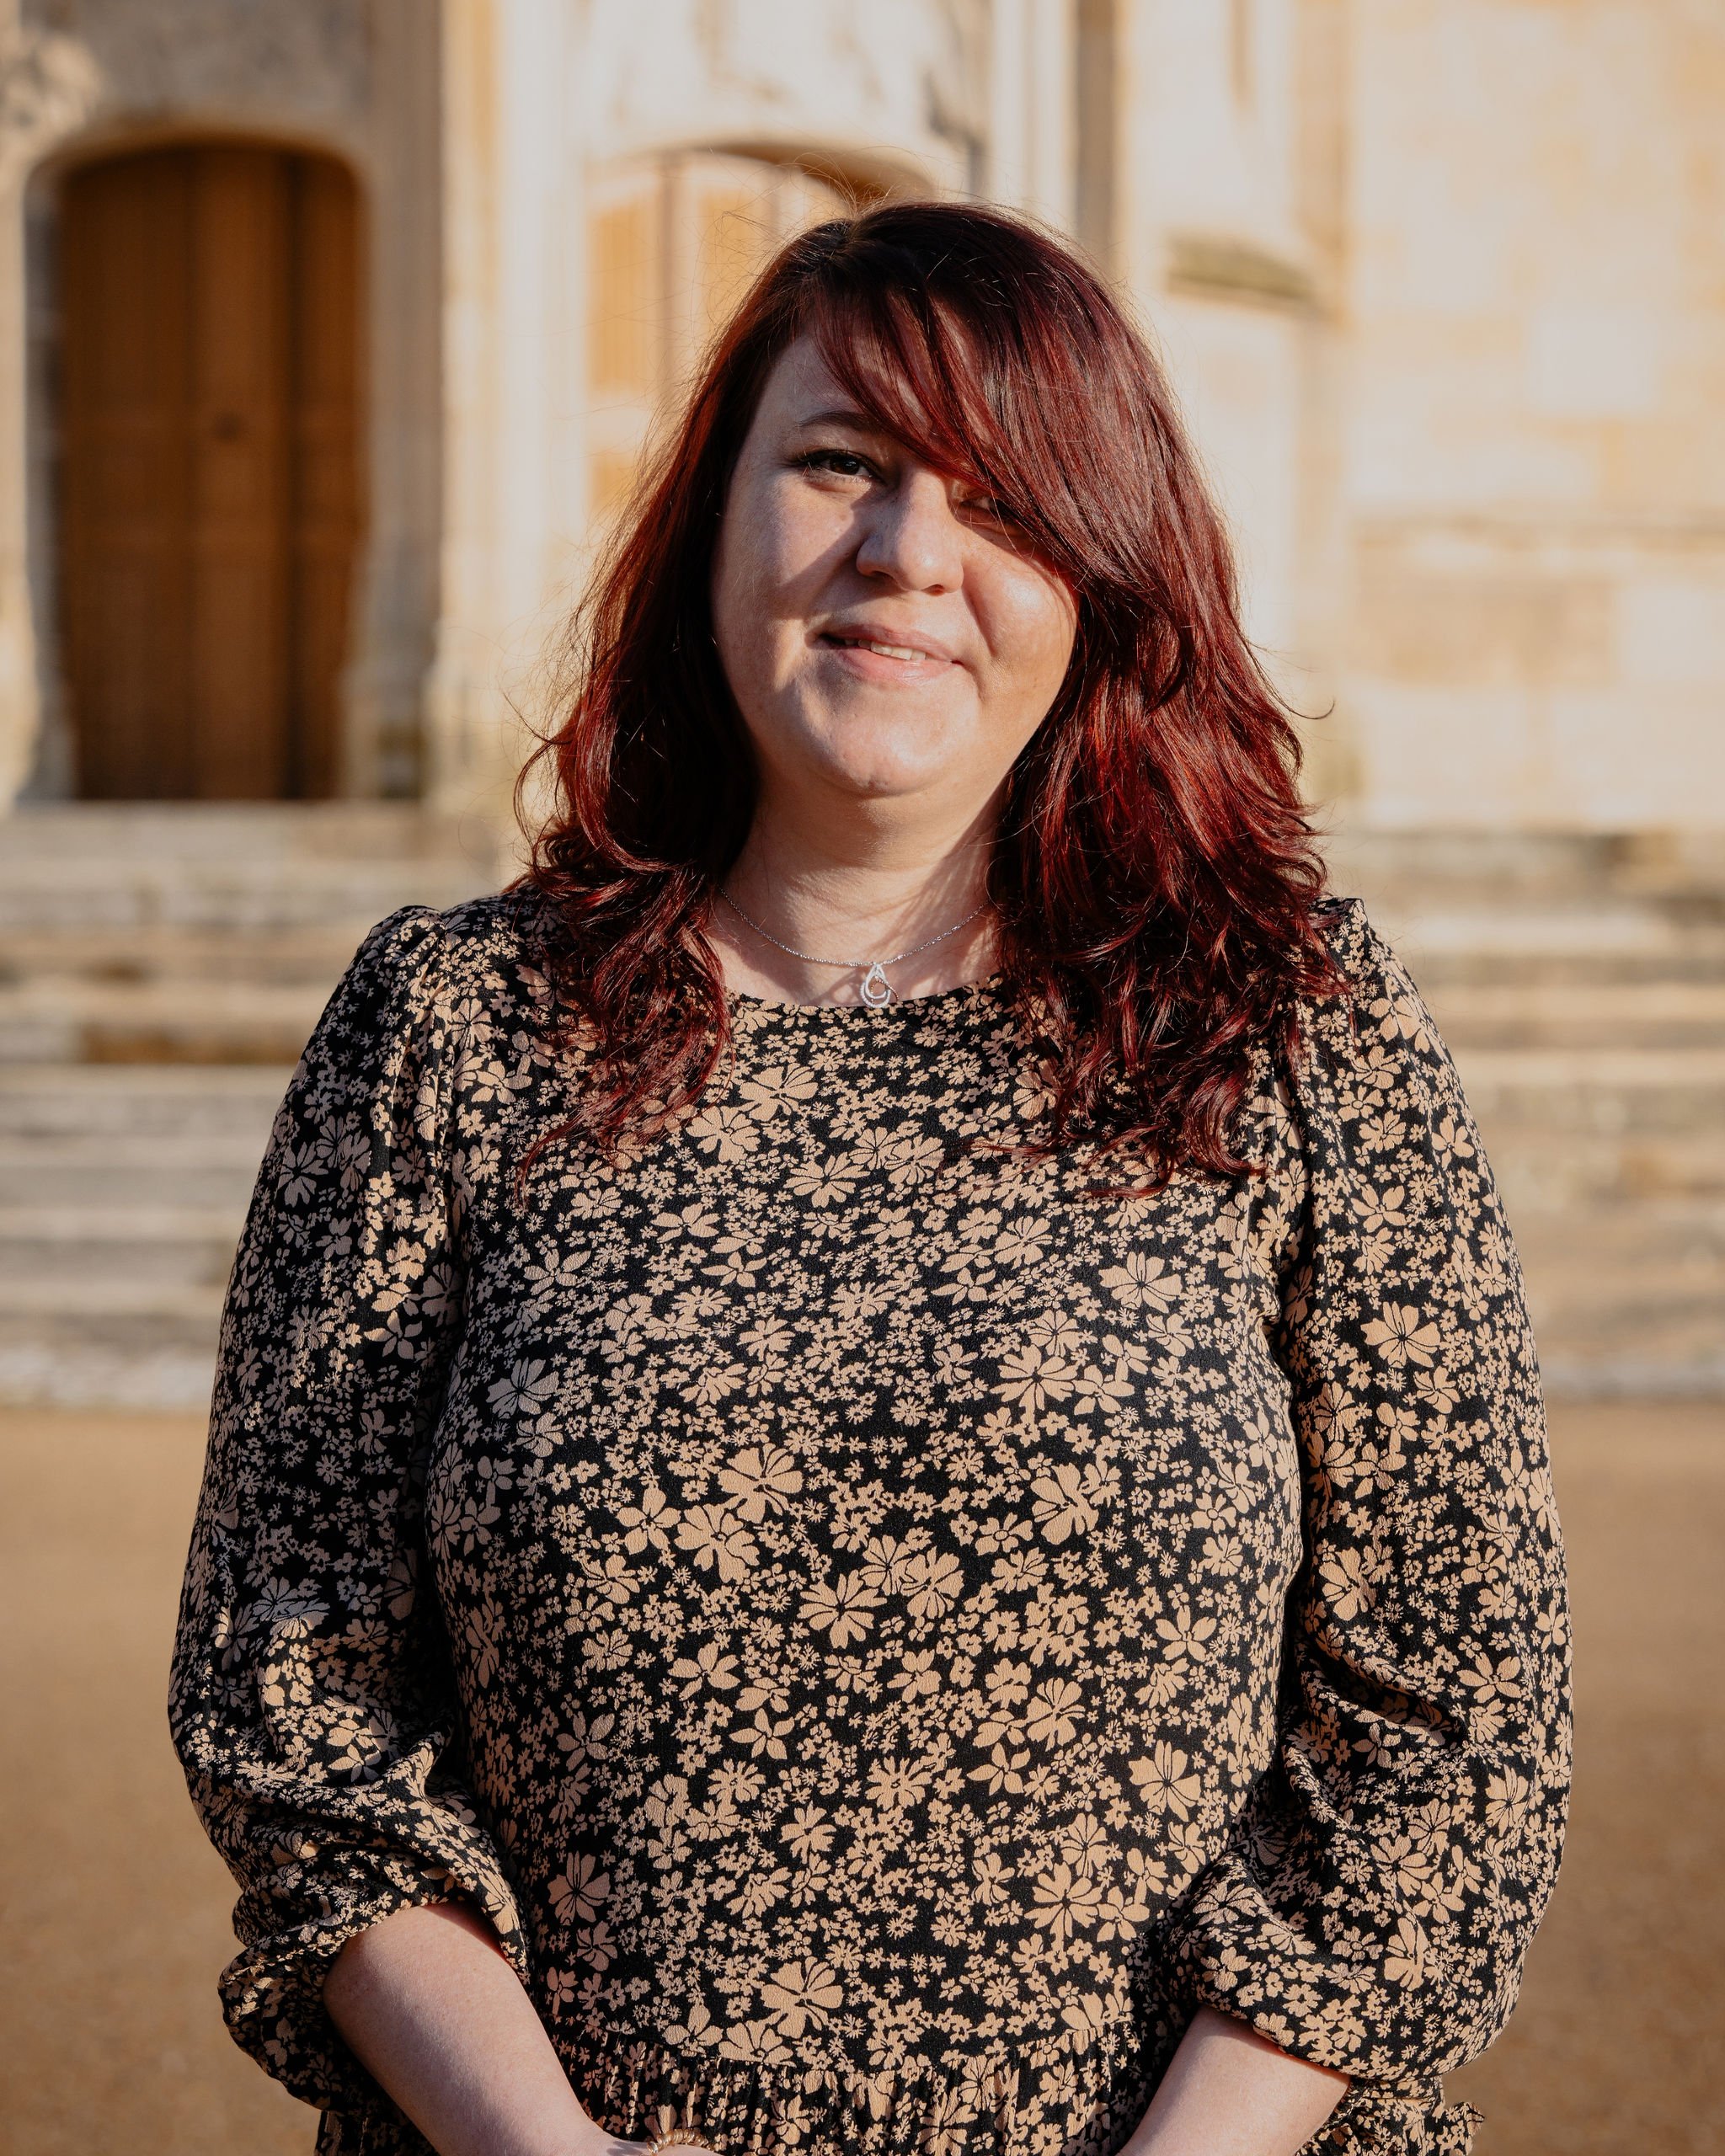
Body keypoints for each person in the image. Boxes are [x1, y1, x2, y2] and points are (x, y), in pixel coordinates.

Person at [169, 200, 1570, 2156]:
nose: (908, 555)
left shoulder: (1290, 1029)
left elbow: (1453, 1705)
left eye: (1002, 499)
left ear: (1099, 574)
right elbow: (288, 1681)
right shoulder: (451, 1027)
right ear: (715, 522)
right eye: (839, 462)